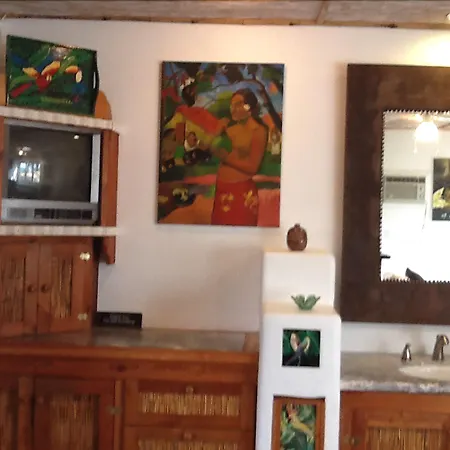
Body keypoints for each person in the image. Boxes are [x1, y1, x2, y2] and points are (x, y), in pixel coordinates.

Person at [210, 88, 268, 226]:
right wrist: (217, 132)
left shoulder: (258, 131)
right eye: (232, 105)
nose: (233, 109)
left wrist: (226, 159)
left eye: (238, 104)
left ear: (249, 107)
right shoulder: (231, 130)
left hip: (241, 191)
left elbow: (253, 167)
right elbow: (211, 150)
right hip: (222, 188)